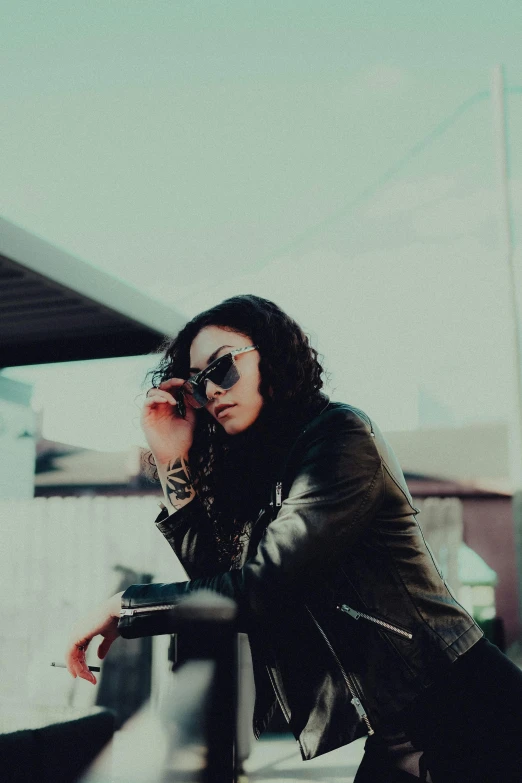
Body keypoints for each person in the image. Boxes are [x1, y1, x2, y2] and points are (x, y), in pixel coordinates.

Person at [66, 294, 522, 782]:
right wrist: (172, 460)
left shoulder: (340, 437)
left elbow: (263, 588)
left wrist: (126, 608)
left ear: (273, 355)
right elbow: (218, 587)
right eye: (197, 383)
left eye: (222, 367)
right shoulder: (262, 474)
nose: (211, 390)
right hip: (397, 728)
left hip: (468, 708)